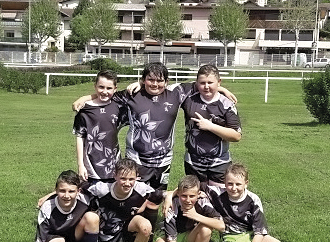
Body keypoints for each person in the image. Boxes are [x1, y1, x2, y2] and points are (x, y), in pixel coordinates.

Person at [73, 62, 236, 191]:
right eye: (150, 79)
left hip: (163, 160)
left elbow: (202, 86)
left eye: (160, 80)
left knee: (156, 197)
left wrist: (221, 89)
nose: (155, 84)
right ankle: (134, 229)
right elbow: (107, 93)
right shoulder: (132, 94)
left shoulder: (176, 93)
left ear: (166, 81)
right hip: (136, 159)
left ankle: (150, 229)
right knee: (135, 195)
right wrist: (86, 97)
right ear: (144, 80)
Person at [85, 158, 169, 242]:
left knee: (145, 227)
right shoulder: (102, 189)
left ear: (137, 177)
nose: (127, 183)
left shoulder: (141, 188)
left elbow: (164, 194)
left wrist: (169, 197)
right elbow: (78, 188)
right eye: (123, 179)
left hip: (129, 224)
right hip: (110, 229)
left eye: (131, 179)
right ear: (115, 176)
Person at [205, 163, 287, 242]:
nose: (234, 188)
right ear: (224, 182)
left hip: (252, 235)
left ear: (246, 184)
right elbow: (191, 186)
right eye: (230, 184)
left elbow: (259, 232)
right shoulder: (217, 193)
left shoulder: (253, 200)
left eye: (238, 184)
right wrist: (171, 194)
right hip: (231, 237)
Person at [31, 170, 99, 242]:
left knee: (93, 218)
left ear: (78, 191)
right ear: (56, 190)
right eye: (62, 191)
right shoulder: (48, 207)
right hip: (54, 236)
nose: (66, 195)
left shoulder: (85, 199)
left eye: (71, 191)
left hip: (74, 234)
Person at [153, 175, 225, 242]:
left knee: (206, 228)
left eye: (192, 196)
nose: (188, 200)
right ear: (178, 194)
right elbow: (171, 240)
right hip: (169, 236)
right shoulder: (172, 205)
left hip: (188, 236)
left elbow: (221, 226)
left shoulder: (203, 202)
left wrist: (196, 216)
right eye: (184, 196)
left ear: (199, 194)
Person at [181, 64, 241, 186]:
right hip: (193, 163)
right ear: (197, 83)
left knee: (218, 200)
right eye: (202, 83)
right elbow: (162, 89)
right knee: (195, 200)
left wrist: (210, 126)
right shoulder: (188, 99)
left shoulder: (226, 104)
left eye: (210, 82)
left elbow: (236, 136)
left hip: (219, 163)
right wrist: (140, 84)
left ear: (219, 82)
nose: (206, 86)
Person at [73, 70, 126, 183]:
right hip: (91, 165)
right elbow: (79, 138)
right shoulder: (85, 109)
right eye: (101, 87)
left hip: (113, 164)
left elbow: (139, 91)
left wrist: (139, 83)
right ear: (95, 86)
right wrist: (80, 165)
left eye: (109, 88)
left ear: (115, 89)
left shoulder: (119, 105)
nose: (104, 91)